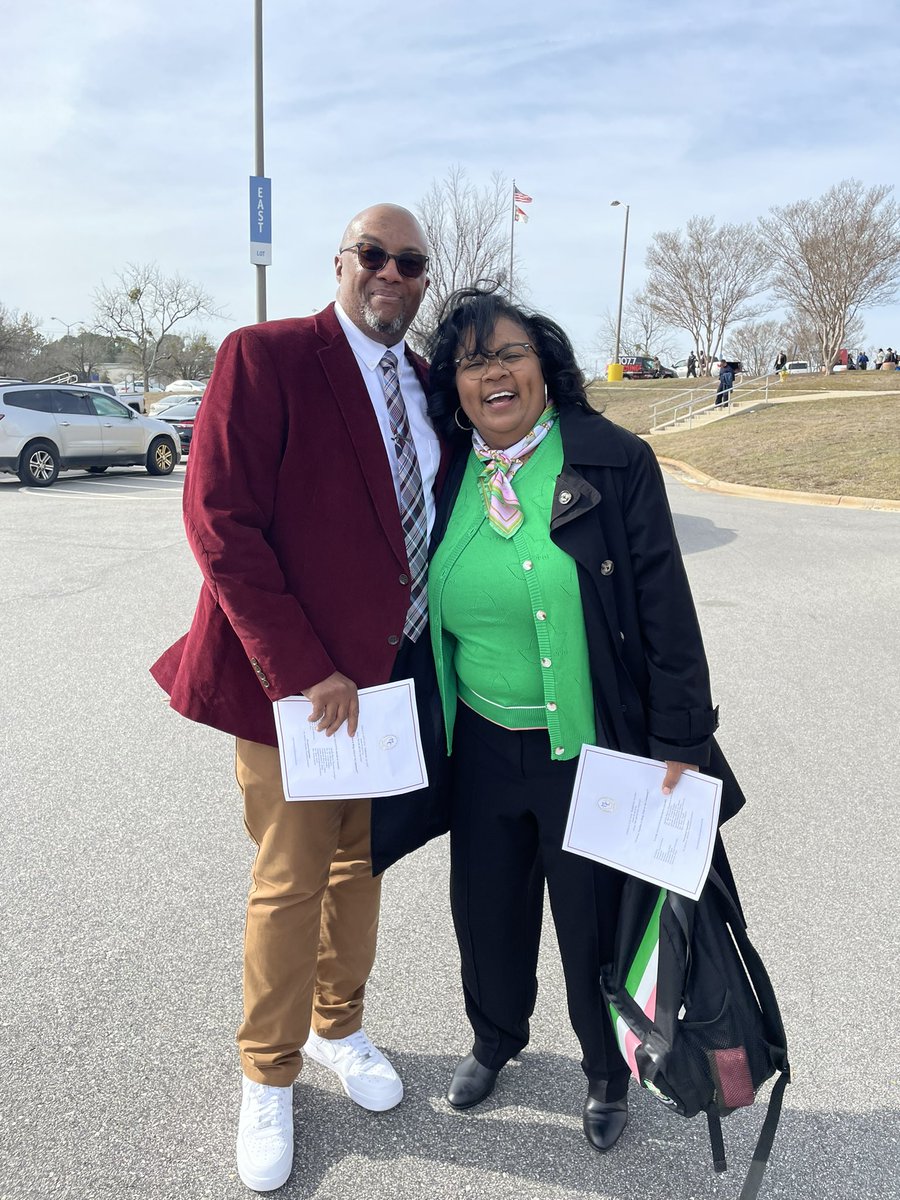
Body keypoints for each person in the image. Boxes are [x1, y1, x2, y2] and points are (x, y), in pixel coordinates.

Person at [150, 204, 447, 1193]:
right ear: (342, 263)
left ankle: (339, 1027)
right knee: (292, 875)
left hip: (391, 681)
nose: (392, 274)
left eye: (411, 262)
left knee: (359, 865)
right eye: (376, 255)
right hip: (301, 688)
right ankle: (266, 1072)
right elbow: (220, 525)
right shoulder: (266, 357)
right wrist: (304, 669)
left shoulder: (423, 384)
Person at [410, 288, 744, 1156]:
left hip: (590, 748)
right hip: (480, 741)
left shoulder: (609, 460)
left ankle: (606, 1069)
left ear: (544, 363)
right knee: (485, 911)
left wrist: (680, 742)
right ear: (454, 384)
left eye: (510, 353)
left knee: (594, 917)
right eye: (474, 361)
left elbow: (667, 614)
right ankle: (494, 1037)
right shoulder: (445, 473)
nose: (494, 373)